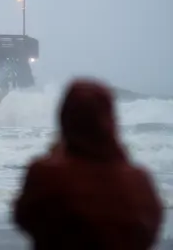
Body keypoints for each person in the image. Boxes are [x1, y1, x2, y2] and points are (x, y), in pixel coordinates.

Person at [12, 78, 163, 250]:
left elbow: (24, 217)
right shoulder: (138, 181)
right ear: (109, 120)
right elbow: (150, 229)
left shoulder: (46, 174)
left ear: (65, 118)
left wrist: (53, 157)